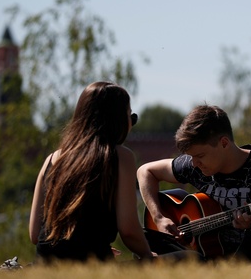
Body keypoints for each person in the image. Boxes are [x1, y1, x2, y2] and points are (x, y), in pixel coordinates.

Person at [137, 105, 251, 263]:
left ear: (224, 143)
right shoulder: (195, 165)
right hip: (209, 262)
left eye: (200, 155)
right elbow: (145, 171)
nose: (193, 163)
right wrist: (159, 218)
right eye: (191, 156)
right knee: (143, 238)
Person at [28, 81, 155, 263]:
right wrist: (148, 255)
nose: (131, 124)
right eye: (131, 117)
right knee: (191, 257)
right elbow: (129, 230)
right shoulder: (121, 156)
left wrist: (86, 242)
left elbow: (35, 234)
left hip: (43, 265)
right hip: (93, 264)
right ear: (117, 120)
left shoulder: (51, 160)